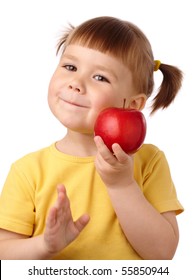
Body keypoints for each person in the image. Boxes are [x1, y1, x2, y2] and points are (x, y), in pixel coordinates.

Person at [0, 16, 184, 260]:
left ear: (133, 104)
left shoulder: (148, 161)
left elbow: (162, 253)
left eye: (100, 77)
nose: (76, 83)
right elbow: (4, 251)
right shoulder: (28, 170)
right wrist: (44, 246)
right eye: (70, 67)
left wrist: (122, 185)